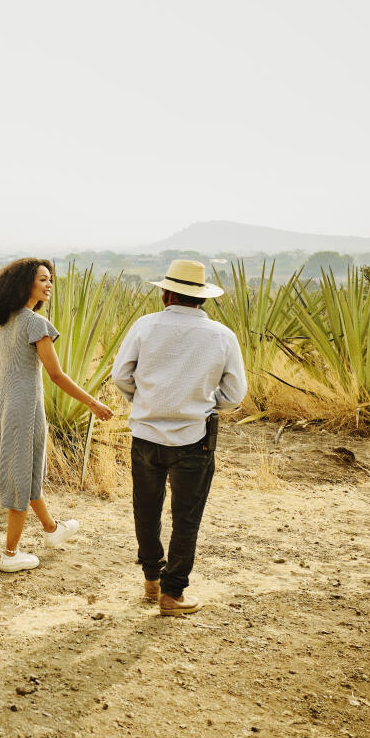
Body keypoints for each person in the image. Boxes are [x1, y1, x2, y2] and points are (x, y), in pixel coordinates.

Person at [111, 259, 246, 616]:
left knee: (146, 509)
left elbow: (121, 375)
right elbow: (234, 395)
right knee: (187, 517)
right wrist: (198, 403)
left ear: (167, 293)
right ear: (201, 298)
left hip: (146, 435)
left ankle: (151, 580)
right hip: (194, 439)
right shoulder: (222, 336)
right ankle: (172, 594)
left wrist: (146, 401)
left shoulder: (145, 326)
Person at [0, 258, 114, 573]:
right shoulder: (35, 324)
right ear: (25, 283)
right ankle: (10, 553)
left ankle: (52, 529)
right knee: (21, 473)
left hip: (5, 401)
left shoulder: (3, 319)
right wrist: (93, 403)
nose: (49, 285)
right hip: (24, 405)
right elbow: (56, 375)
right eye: (43, 279)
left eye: (50, 279)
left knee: (25, 469)